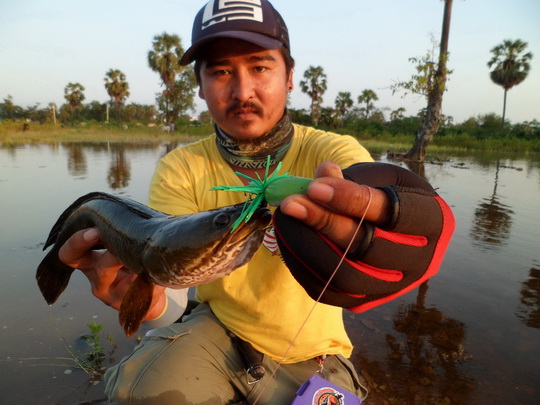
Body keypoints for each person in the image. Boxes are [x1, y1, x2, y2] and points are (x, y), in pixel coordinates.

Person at [58, 1, 454, 403]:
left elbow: (376, 199)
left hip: (315, 353)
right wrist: (147, 299)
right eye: (220, 70)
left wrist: (399, 232)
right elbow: (173, 292)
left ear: (290, 77)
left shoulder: (333, 151)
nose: (242, 90)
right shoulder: (181, 166)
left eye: (260, 66)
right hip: (215, 330)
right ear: (199, 85)